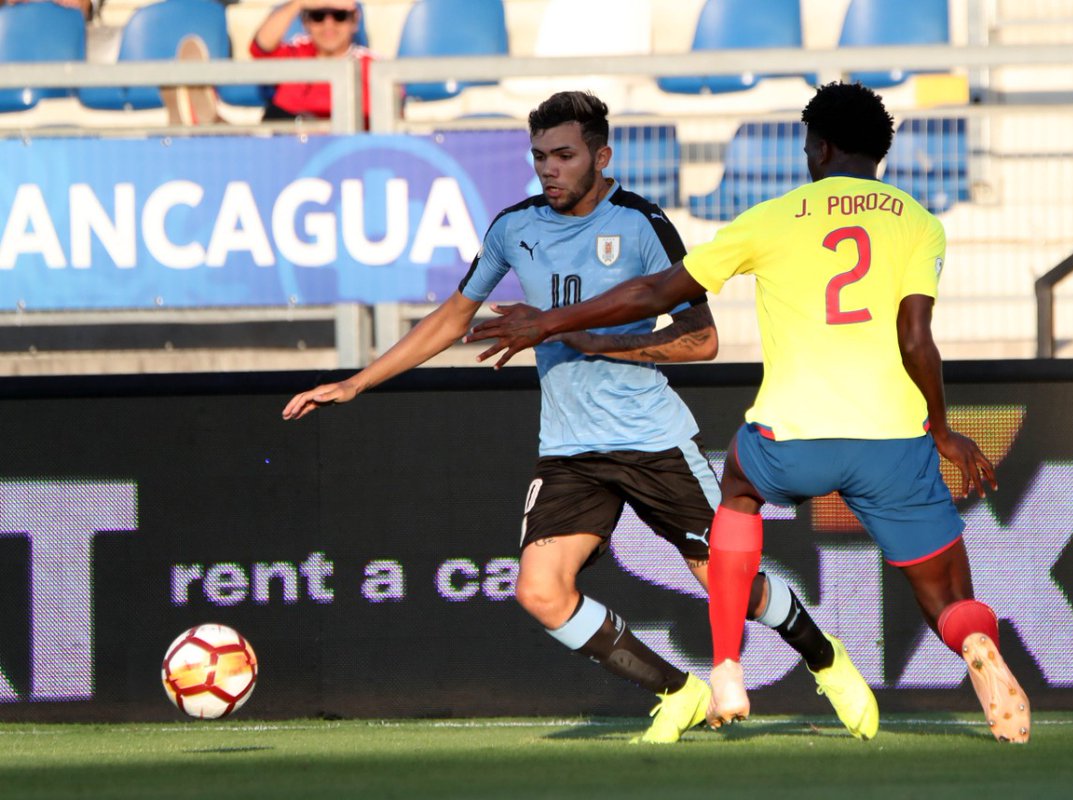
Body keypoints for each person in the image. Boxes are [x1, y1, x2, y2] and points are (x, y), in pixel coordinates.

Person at [283, 90, 877, 743]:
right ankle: (679, 691)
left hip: (650, 439)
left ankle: (828, 659)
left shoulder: (642, 224)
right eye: (539, 156)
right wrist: (358, 382)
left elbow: (702, 340)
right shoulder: (515, 228)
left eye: (563, 155)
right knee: (540, 590)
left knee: (733, 584)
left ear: (601, 155)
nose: (548, 169)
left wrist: (605, 343)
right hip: (569, 447)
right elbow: (454, 317)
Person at [467, 82, 1031, 744]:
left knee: (735, 495)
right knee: (948, 598)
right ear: (880, 150)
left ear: (817, 147)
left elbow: (654, 290)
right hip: (892, 441)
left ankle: (728, 665)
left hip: (790, 436)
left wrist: (552, 322)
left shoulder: (772, 217)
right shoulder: (918, 221)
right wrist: (942, 429)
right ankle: (975, 646)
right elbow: (916, 340)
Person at [250, 0, 378, 126]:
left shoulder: (372, 66)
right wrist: (299, 3)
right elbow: (261, 48)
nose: (329, 25)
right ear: (306, 22)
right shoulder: (295, 53)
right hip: (288, 141)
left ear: (354, 21)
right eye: (318, 16)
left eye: (339, 16)